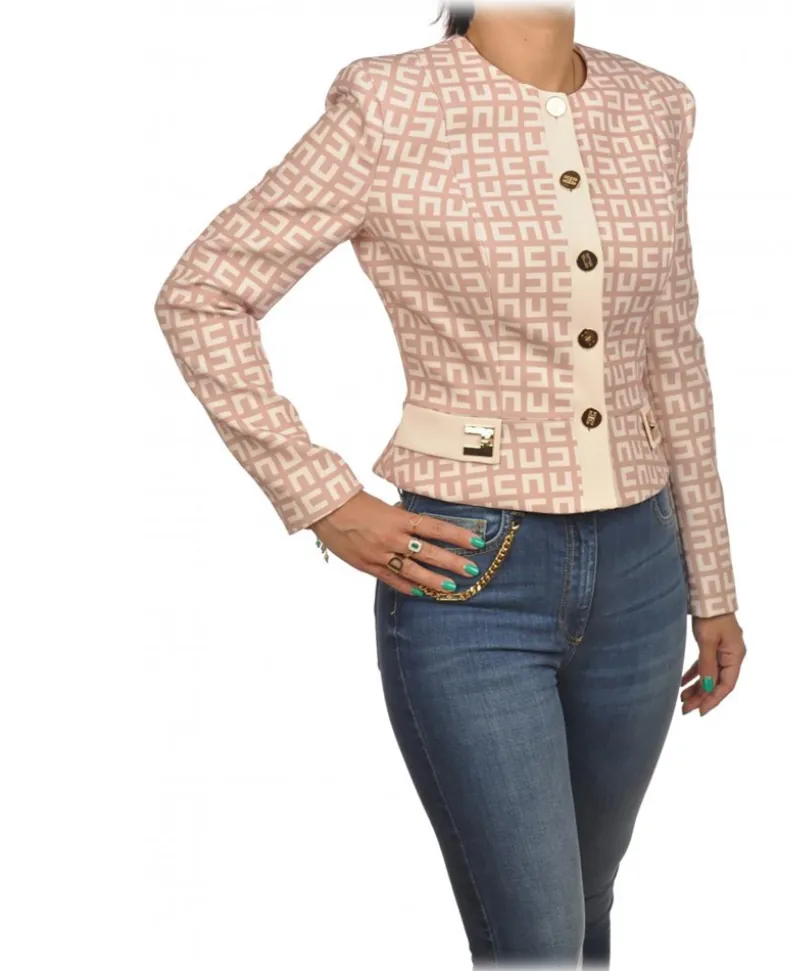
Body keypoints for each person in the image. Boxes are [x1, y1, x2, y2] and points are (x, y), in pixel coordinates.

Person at [153, 1, 747, 965]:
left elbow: (671, 350)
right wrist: (321, 496)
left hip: (645, 576)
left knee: (588, 905)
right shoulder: (391, 102)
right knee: (539, 937)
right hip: (469, 574)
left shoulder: (657, 104)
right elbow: (204, 292)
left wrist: (712, 584)